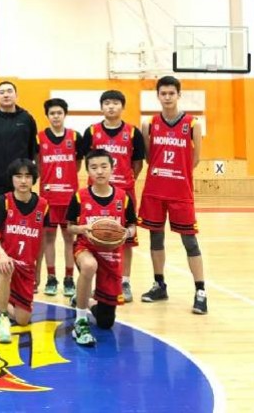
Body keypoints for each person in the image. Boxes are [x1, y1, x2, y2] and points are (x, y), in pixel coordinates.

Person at [138, 76, 207, 315]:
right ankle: (160, 285)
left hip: (180, 191)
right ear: (158, 95)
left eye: (171, 93)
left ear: (179, 95)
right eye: (163, 93)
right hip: (155, 190)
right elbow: (149, 157)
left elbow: (195, 159)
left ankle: (200, 291)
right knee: (155, 239)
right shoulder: (149, 124)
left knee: (190, 241)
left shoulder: (192, 124)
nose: (167, 97)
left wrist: (178, 172)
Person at [66, 149, 136, 347]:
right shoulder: (79, 197)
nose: (99, 171)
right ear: (88, 171)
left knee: (106, 322)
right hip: (85, 247)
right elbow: (69, 227)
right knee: (89, 266)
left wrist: (126, 233)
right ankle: (80, 321)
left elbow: (132, 226)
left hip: (111, 254)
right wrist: (82, 229)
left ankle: (83, 299)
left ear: (112, 168)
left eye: (104, 166)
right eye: (94, 167)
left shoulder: (124, 198)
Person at [80, 90, 145, 302]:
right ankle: (95, 283)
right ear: (101, 107)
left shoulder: (133, 133)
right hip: (95, 194)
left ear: (122, 107)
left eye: (115, 103)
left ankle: (124, 281)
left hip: (123, 193)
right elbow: (86, 161)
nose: (111, 106)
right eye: (107, 103)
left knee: (125, 238)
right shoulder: (91, 131)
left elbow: (137, 164)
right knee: (95, 236)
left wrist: (125, 181)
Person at [0, 159, 47, 343]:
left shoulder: (43, 206)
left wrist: (38, 269)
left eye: (27, 176)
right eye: (18, 176)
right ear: (12, 179)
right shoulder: (3, 202)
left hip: (26, 264)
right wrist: (2, 254)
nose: (23, 181)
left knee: (23, 319)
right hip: (3, 255)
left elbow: (41, 242)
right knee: (5, 266)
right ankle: (2, 319)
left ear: (34, 179)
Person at [0, 81, 38, 293]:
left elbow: (32, 150)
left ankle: (23, 270)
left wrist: (23, 176)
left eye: (9, 91)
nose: (6, 95)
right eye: (1, 92)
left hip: (20, 184)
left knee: (22, 228)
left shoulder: (27, 119)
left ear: (16, 95)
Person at [37, 98, 82, 298]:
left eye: (59, 113)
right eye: (52, 113)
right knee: (49, 238)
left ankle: (69, 278)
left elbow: (77, 164)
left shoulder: (75, 136)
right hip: (48, 198)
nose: (56, 116)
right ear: (47, 116)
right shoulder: (39, 138)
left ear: (65, 114)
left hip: (69, 199)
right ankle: (51, 277)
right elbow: (39, 164)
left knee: (69, 238)